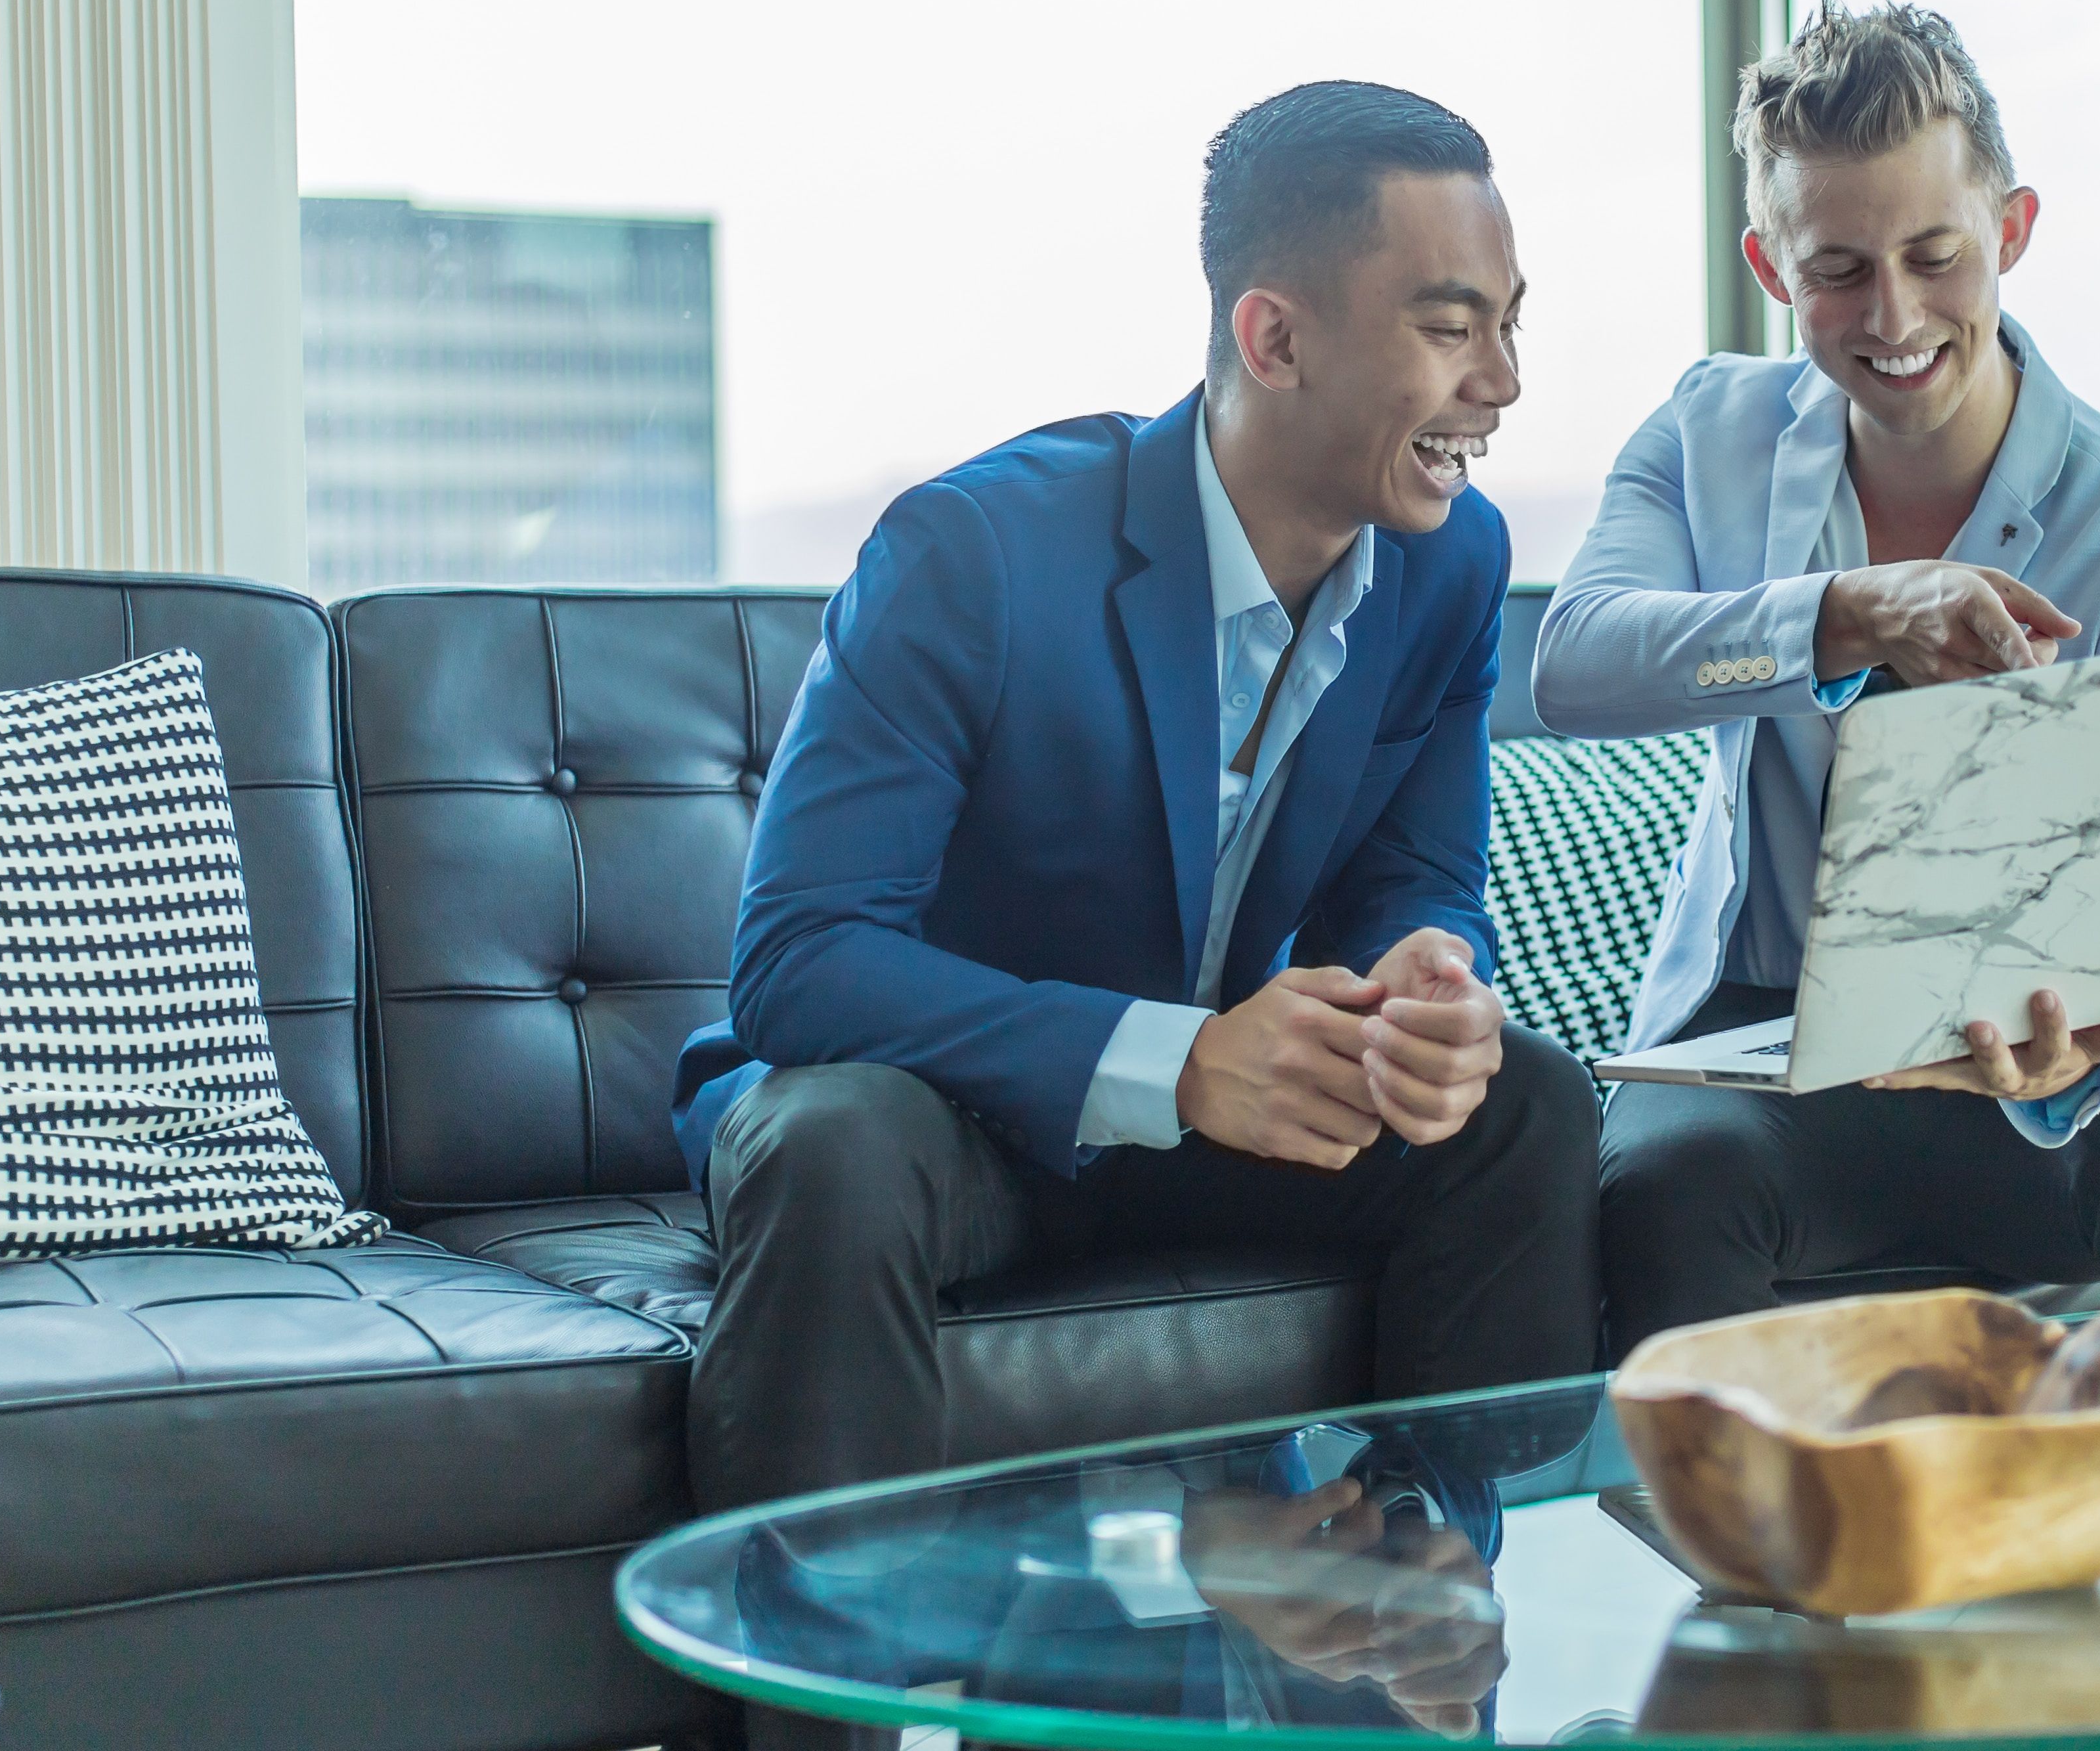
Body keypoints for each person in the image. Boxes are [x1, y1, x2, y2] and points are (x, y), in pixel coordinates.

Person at [675, 81, 1600, 1509]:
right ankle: (803, 1712)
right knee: (831, 1145)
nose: (1504, 381)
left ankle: (1403, 1637)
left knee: (1521, 1104)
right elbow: (799, 963)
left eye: (1509, 320)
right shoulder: (971, 552)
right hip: (956, 1120)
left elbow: (1415, 878)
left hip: (1216, 1125)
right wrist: (1174, 1062)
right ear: (1275, 337)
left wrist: (1432, 972)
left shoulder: (1453, 563)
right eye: (1449, 325)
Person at [1534, 0, 2100, 1354]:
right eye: (1837, 271)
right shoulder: (1707, 436)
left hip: (2050, 1052)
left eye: (1936, 255)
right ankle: (1739, 1570)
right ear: (1769, 267)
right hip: (1772, 1047)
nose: (1893, 316)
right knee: (1661, 1186)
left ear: (2014, 230)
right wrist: (1845, 616)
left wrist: (2089, 1039)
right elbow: (1576, 664)